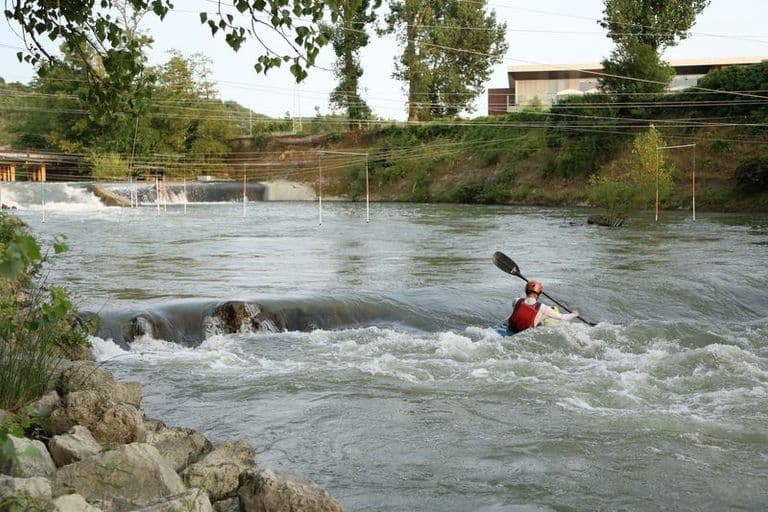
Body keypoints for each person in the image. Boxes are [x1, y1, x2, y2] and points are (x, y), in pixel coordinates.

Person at [506, 280, 579, 334]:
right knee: (543, 320)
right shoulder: (543, 308)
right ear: (539, 293)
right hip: (526, 334)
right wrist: (574, 314)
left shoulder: (516, 301)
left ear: (526, 291)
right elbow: (563, 317)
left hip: (511, 329)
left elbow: (523, 306)